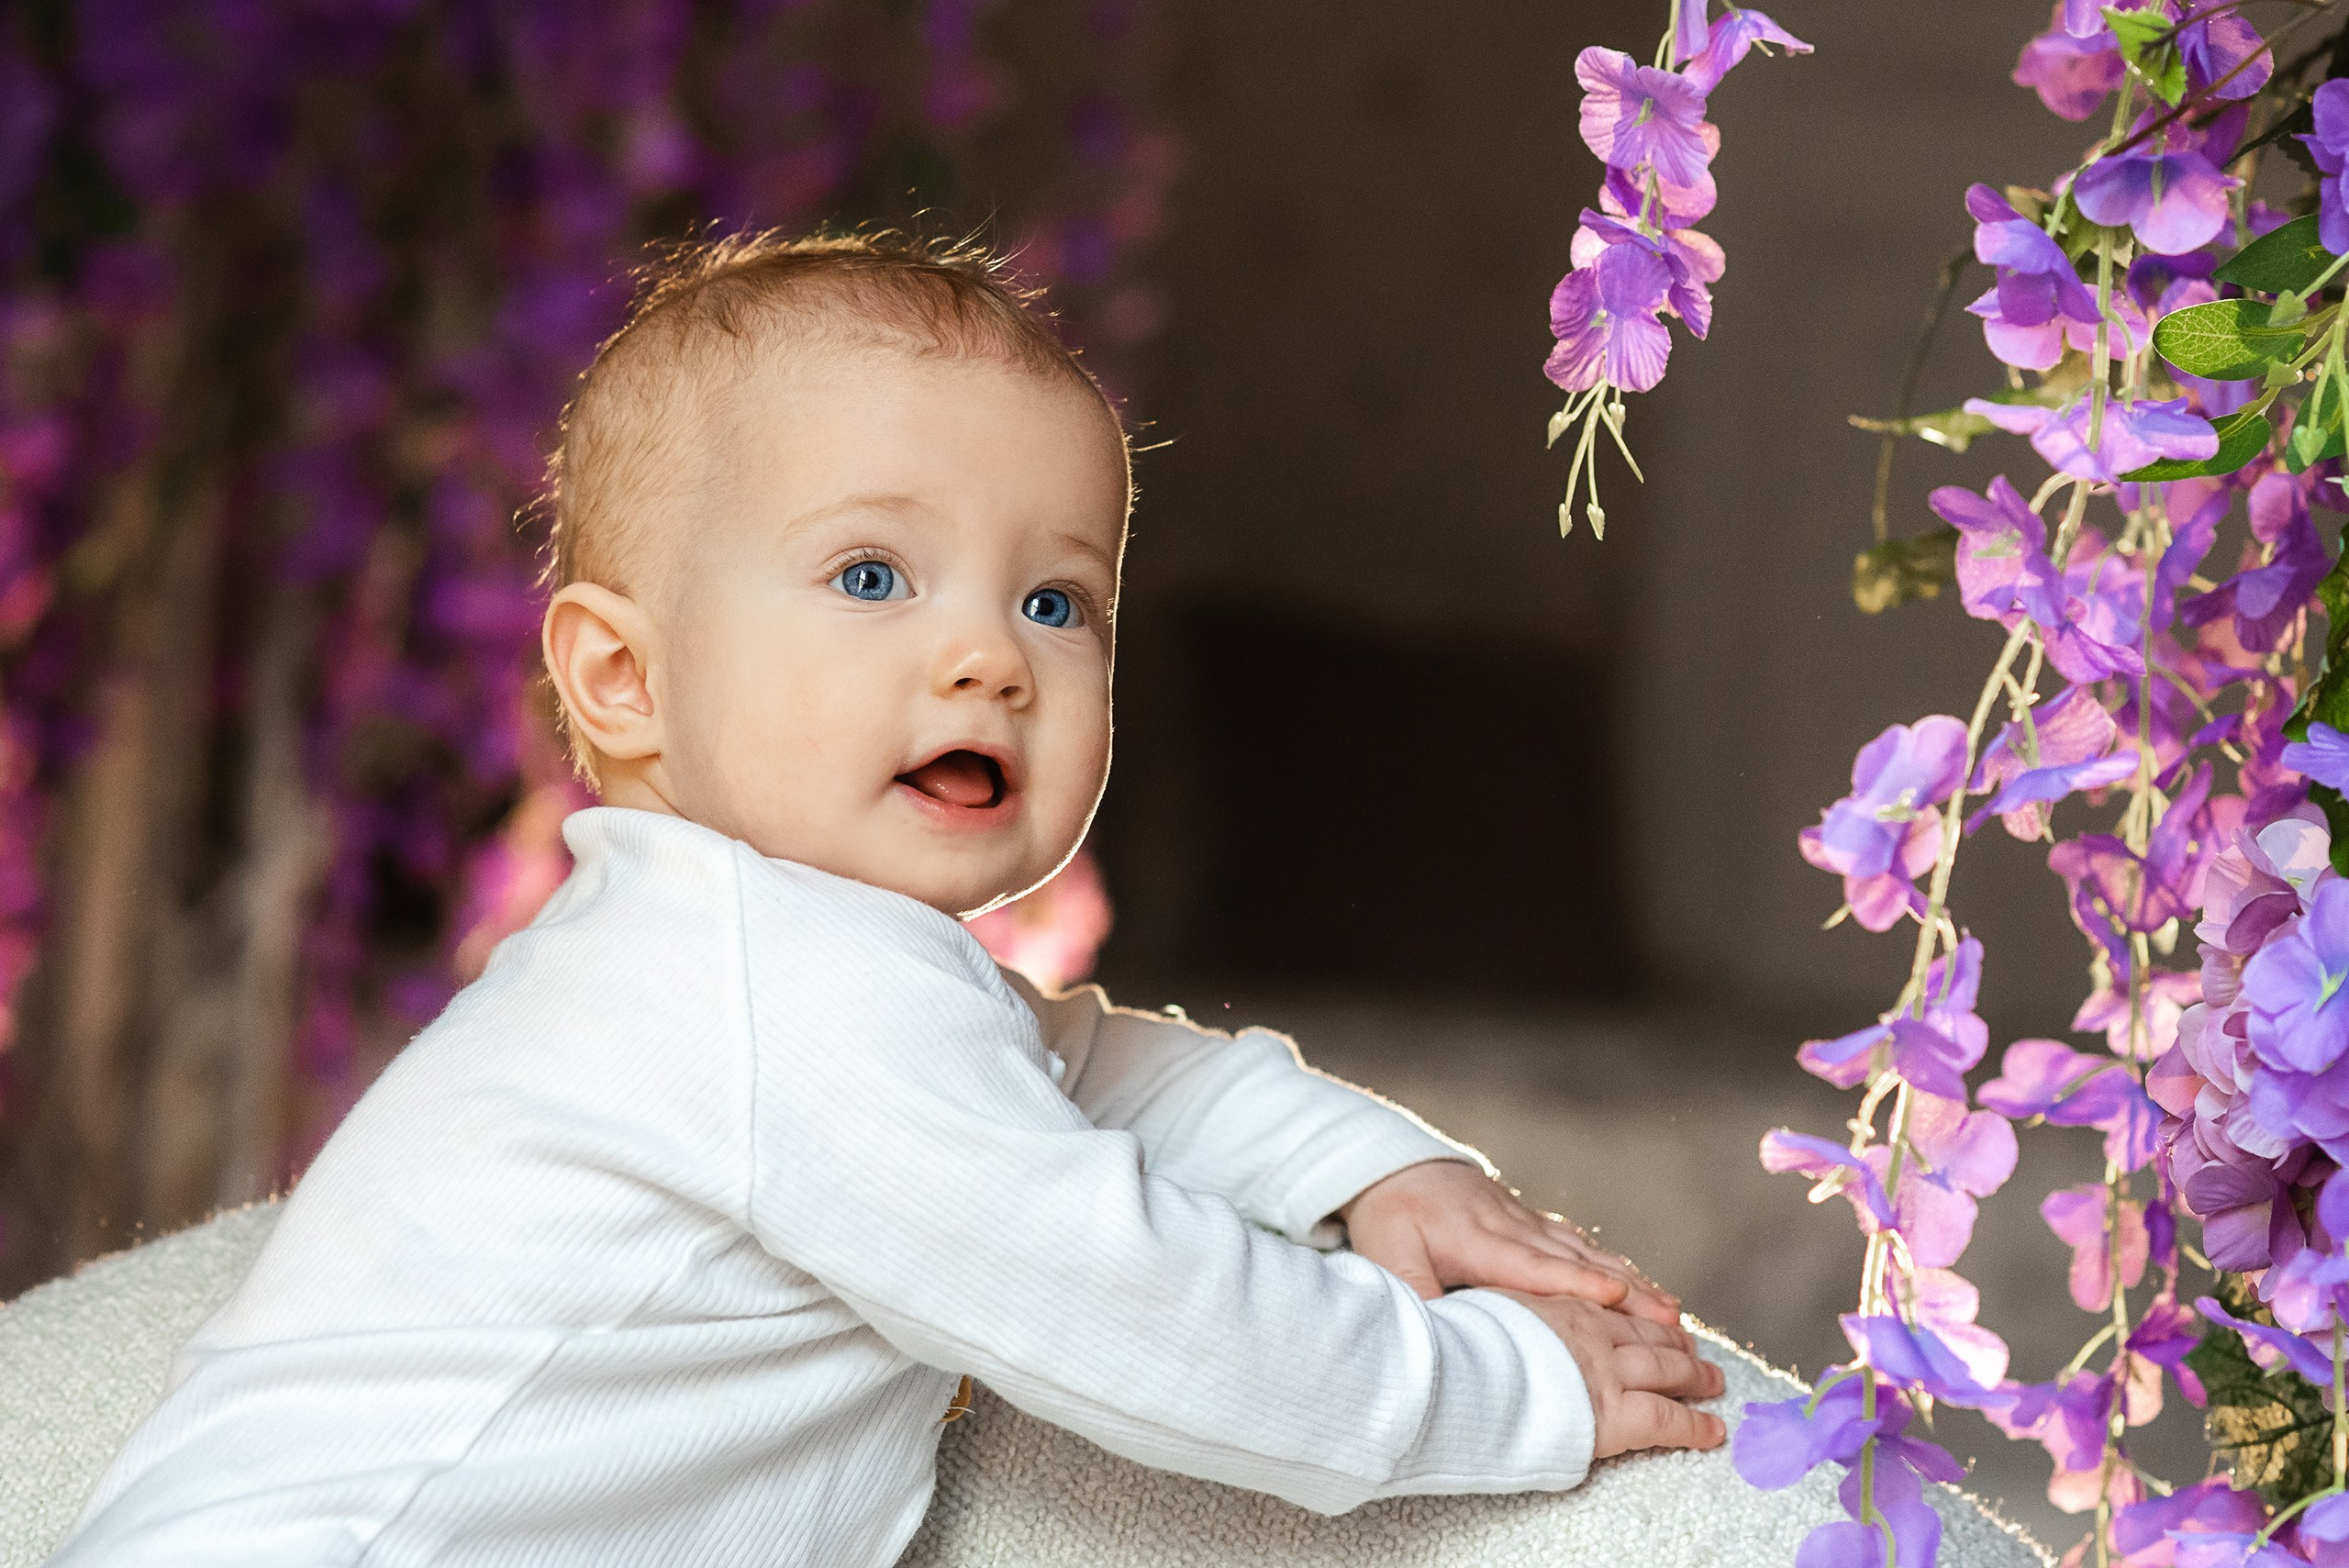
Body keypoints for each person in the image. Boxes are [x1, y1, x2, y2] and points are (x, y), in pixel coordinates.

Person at [49, 230, 1724, 1568]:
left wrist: (1366, 1166)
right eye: (871, 575)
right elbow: (1165, 1325)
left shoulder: (756, 960)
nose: (990, 653)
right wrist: (1519, 1389)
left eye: (1060, 598)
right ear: (624, 679)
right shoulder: (773, 994)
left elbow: (1082, 1066)